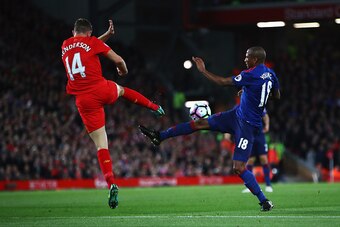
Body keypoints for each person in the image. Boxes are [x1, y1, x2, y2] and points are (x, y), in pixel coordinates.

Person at [139, 46, 280, 211]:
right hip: (236, 115)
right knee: (200, 123)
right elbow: (276, 94)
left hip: (248, 125)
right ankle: (160, 136)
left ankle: (264, 201)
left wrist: (203, 71)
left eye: (247, 57)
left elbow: (222, 82)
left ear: (255, 60)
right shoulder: (271, 74)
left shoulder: (250, 74)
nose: (245, 59)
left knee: (239, 167)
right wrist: (252, 92)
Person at [61, 18, 165, 209]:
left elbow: (84, 49)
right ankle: (154, 107)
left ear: (73, 31)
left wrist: (105, 37)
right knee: (122, 90)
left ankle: (111, 183)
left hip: (83, 100)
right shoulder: (92, 42)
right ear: (90, 33)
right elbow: (118, 60)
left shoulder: (65, 44)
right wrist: (121, 69)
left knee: (102, 145)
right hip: (101, 89)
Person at [242, 109, 273, 193]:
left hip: (260, 135)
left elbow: (265, 115)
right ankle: (250, 186)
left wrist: (267, 125)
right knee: (250, 160)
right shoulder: (242, 106)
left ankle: (268, 184)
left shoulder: (257, 103)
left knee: (263, 158)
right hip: (249, 136)